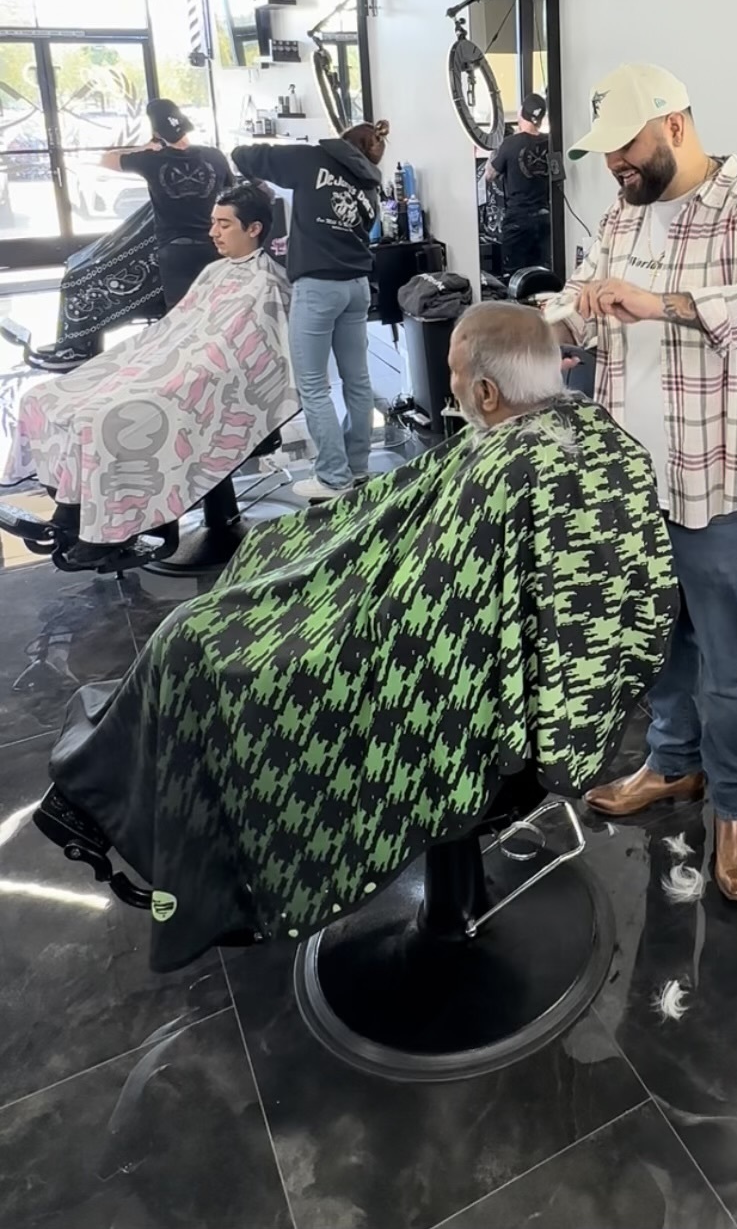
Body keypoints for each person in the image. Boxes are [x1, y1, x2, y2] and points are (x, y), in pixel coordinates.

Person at [34, 302, 677, 972]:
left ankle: (123, 811)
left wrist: (332, 601)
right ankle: (97, 784)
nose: (453, 386)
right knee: (233, 595)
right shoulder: (590, 436)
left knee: (191, 647)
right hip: (466, 643)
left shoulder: (507, 470)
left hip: (435, 683)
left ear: (487, 392)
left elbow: (427, 623)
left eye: (455, 374)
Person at [542, 63, 737, 902]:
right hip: (633, 482)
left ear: (673, 126)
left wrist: (662, 302)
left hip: (722, 485)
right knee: (657, 640)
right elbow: (590, 297)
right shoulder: (622, 216)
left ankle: (734, 808)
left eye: (625, 146)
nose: (614, 166)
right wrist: (551, 322)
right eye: (604, 152)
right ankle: (672, 763)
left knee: (728, 662)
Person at [0, 183, 295, 568]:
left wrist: (171, 376)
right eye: (213, 223)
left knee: (105, 419)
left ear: (254, 229)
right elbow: (175, 329)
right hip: (169, 363)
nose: (213, 232)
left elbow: (246, 357)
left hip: (202, 381)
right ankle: (71, 511)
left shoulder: (267, 283)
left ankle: (110, 531)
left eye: (224, 225)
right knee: (47, 397)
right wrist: (145, 363)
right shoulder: (216, 271)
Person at [233, 122, 388, 502]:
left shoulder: (311, 158)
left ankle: (333, 478)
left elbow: (242, 156)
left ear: (342, 141)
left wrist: (269, 174)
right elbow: (365, 228)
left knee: (314, 385)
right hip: (356, 287)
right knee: (357, 381)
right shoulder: (370, 184)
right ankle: (357, 467)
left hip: (319, 287)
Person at [101, 98, 233, 309]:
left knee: (180, 313)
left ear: (156, 132)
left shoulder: (150, 159)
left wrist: (145, 147)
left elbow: (106, 159)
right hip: (214, 244)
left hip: (174, 250)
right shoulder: (215, 156)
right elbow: (230, 190)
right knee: (215, 308)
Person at [485, 93, 552, 274]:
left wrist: (495, 150)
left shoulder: (510, 144)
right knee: (542, 274)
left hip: (518, 221)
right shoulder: (551, 142)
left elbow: (489, 175)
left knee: (514, 275)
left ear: (522, 113)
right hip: (545, 219)